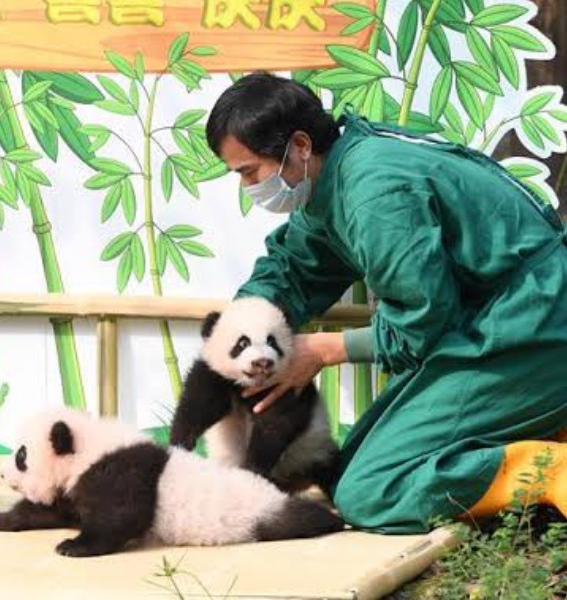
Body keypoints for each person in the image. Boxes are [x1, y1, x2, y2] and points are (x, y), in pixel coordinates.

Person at [205, 72, 567, 534]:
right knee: (343, 471)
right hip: (494, 323)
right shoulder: (336, 176)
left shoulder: (375, 194)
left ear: (298, 146)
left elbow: (421, 322)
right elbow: (296, 267)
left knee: (370, 492)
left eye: (249, 172)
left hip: (535, 326)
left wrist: (321, 351)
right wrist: (242, 331)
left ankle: (550, 468)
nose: (248, 186)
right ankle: (542, 429)